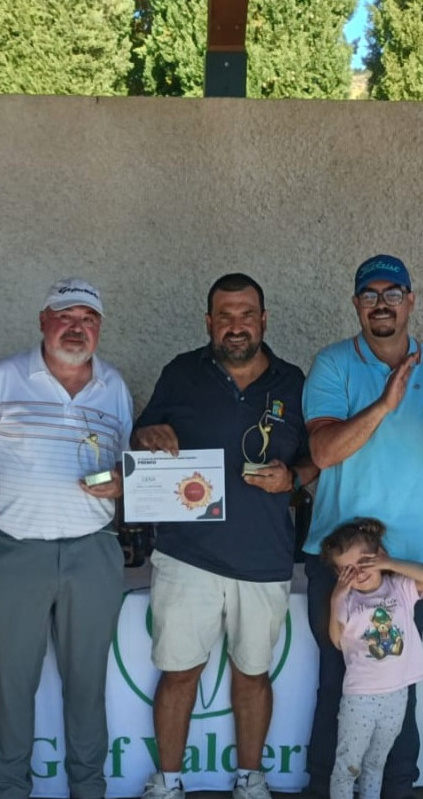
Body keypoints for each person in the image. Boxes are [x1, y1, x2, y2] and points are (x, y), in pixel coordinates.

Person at [131, 273, 318, 799]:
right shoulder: (180, 373)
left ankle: (250, 778)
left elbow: (319, 457)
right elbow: (140, 436)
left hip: (264, 557)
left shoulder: (293, 382)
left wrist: (294, 478)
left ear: (264, 320)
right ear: (209, 322)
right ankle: (167, 782)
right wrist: (148, 436)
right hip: (186, 554)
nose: (236, 326)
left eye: (246, 315)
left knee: (253, 675)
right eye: (225, 316)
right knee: (178, 674)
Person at [300, 255, 423, 799]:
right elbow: (324, 452)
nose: (382, 303)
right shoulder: (331, 364)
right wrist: (385, 403)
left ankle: (395, 789)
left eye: (392, 293)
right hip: (341, 561)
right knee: (338, 684)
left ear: (410, 301)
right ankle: (325, 790)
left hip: (411, 565)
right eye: (370, 294)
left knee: (399, 687)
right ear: (356, 304)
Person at [0, 278, 133, 799]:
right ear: (43, 321)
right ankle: (10, 789)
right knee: (12, 687)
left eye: (89, 320)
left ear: (99, 329)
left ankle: (88, 788)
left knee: (87, 685)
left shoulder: (114, 386)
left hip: (92, 551)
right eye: (66, 317)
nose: (77, 328)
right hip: (14, 552)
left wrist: (123, 483)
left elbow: (125, 464)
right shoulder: (2, 377)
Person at [320, 518, 423, 799]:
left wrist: (391, 564)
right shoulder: (348, 601)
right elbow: (337, 640)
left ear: (379, 555)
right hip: (360, 698)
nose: (359, 572)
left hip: (396, 696)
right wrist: (336, 598)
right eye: (347, 569)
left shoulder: (399, 587)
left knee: (376, 764)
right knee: (347, 767)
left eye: (365, 562)